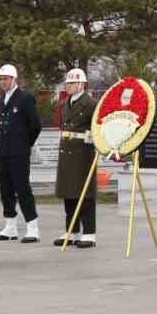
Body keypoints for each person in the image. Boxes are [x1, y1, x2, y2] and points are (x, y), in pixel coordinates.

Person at [0, 63, 43, 244]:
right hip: (4, 151)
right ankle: (10, 226)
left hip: (19, 152)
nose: (2, 82)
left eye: (6, 79)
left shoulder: (25, 98)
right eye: (0, 79)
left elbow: (35, 125)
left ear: (14, 79)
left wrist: (25, 144)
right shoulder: (2, 98)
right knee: (6, 190)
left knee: (22, 189)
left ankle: (32, 227)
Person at [54, 68, 98, 247]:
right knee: (69, 193)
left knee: (85, 193)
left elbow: (98, 127)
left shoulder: (91, 103)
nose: (69, 86)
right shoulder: (65, 103)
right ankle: (71, 231)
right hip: (66, 151)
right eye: (68, 83)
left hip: (83, 152)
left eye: (73, 83)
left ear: (82, 84)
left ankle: (89, 233)